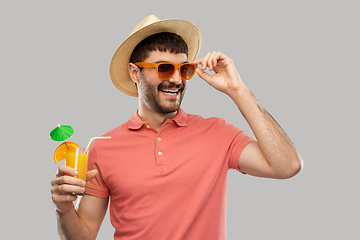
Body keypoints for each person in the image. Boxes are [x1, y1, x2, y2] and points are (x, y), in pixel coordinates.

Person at [51, 15, 302, 240]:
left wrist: (239, 91)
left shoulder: (218, 132)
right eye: (164, 68)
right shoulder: (101, 147)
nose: (176, 79)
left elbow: (287, 165)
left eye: (184, 69)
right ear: (135, 73)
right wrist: (63, 208)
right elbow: (82, 237)